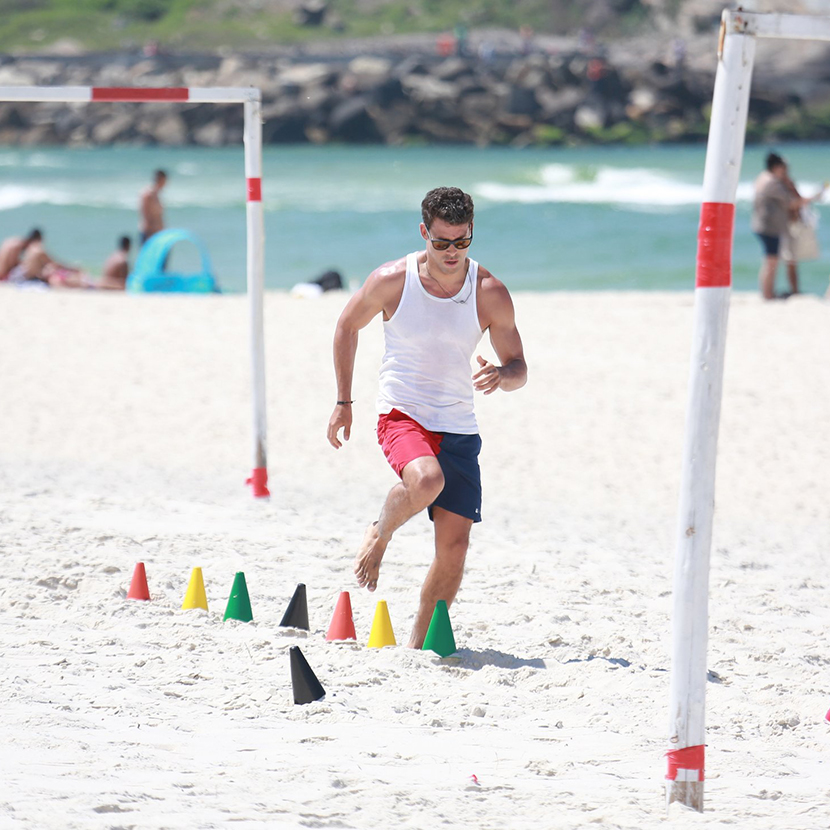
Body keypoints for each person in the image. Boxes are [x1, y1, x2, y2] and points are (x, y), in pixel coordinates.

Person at [326, 186, 527, 648]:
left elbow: (519, 368)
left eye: (461, 241)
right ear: (424, 233)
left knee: (453, 553)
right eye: (441, 242)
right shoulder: (392, 280)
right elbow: (345, 326)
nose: (452, 252)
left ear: (471, 234)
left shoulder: (489, 292)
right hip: (403, 414)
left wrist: (503, 374)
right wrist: (343, 401)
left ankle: (417, 646)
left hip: (458, 426)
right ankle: (380, 531)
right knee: (426, 480)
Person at [752, 153, 823, 300]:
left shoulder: (763, 178)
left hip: (765, 225)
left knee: (771, 260)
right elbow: (792, 202)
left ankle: (768, 293)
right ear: (777, 167)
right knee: (771, 261)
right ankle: (768, 294)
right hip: (770, 226)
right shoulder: (772, 182)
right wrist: (815, 196)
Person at [7, 231, 88, 288]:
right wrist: (72, 268)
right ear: (40, 238)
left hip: (18, 276)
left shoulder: (29, 250)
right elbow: (55, 262)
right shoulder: (38, 250)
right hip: (27, 278)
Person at [139, 169, 167, 245]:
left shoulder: (157, 194)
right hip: (150, 233)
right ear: (161, 179)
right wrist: (150, 234)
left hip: (158, 233)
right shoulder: (148, 194)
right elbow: (146, 215)